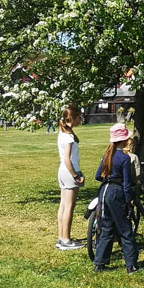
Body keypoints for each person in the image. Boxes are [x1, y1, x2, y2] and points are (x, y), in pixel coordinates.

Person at [93, 123, 139, 273]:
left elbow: (98, 176)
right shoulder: (124, 158)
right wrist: (128, 202)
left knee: (106, 228)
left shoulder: (107, 156)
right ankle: (131, 264)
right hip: (116, 193)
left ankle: (100, 263)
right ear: (124, 140)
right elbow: (126, 184)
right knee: (125, 229)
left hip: (104, 192)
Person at [56, 104, 85, 250]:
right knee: (69, 207)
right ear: (72, 118)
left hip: (62, 172)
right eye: (79, 117)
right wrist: (76, 175)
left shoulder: (63, 133)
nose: (81, 119)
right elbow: (68, 159)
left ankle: (62, 237)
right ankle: (66, 240)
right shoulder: (68, 137)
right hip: (69, 172)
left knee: (63, 206)